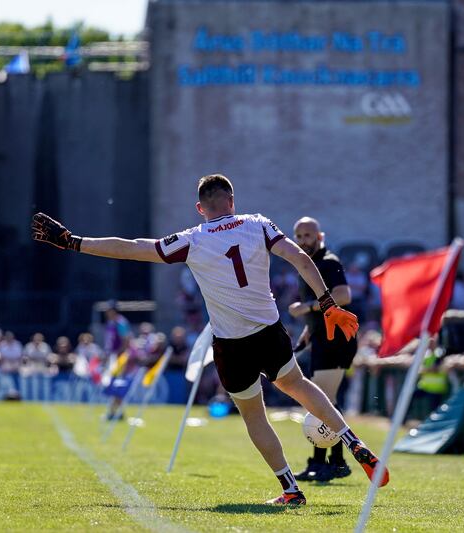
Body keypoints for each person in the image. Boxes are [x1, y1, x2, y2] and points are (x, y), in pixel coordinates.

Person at [31, 173, 389, 505]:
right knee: (297, 384)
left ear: (200, 208)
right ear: (232, 200)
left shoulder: (193, 239)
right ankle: (352, 441)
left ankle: (290, 489)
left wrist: (74, 242)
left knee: (254, 416)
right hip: (269, 331)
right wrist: (326, 302)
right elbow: (298, 258)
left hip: (231, 344)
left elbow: (134, 247)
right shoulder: (258, 224)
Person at [287, 217, 358, 482]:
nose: (303, 240)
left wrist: (305, 308)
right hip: (322, 338)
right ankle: (327, 463)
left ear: (320, 236)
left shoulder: (328, 262)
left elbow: (343, 296)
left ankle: (333, 463)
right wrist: (307, 334)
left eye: (308, 235)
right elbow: (321, 313)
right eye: (299, 236)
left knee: (323, 404)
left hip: (337, 340)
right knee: (323, 404)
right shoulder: (308, 264)